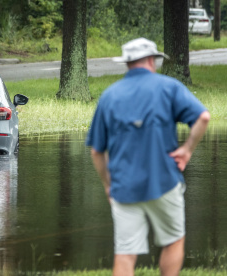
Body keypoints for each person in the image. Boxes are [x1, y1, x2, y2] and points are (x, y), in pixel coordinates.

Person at [86, 37, 210, 276]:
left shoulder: (109, 96)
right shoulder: (169, 87)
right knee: (173, 241)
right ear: (153, 61)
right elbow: (202, 117)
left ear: (127, 63)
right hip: (164, 181)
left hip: (124, 187)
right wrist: (187, 150)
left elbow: (96, 151)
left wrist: (108, 185)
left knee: (125, 253)